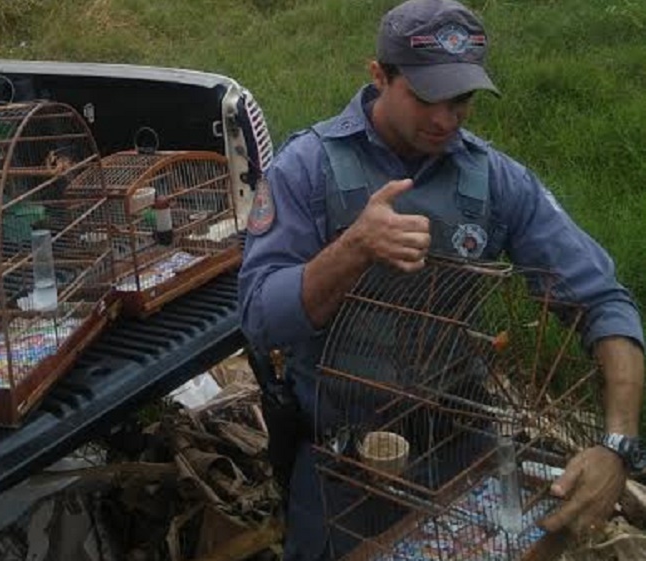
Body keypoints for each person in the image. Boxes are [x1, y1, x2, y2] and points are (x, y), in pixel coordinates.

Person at [237, 0, 646, 559]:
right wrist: (352, 248)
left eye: (462, 101)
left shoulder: (494, 179)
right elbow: (260, 319)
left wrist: (617, 445)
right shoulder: (306, 168)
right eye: (426, 98)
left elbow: (604, 302)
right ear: (379, 75)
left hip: (463, 444)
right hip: (344, 457)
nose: (446, 120)